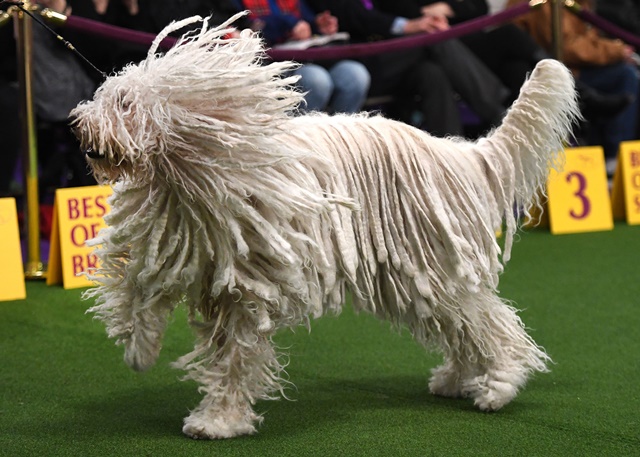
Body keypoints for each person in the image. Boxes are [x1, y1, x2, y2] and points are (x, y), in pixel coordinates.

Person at [307, 0, 510, 136]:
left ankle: (451, 153)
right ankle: (499, 116)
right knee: (435, 41)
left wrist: (429, 18)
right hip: (355, 64)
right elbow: (356, 16)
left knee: (431, 73)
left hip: (391, 58)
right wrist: (410, 25)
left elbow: (400, 7)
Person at [508, 0, 640, 170]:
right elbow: (568, 49)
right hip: (551, 71)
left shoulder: (577, 3)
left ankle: (620, 153)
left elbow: (587, 39)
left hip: (575, 67)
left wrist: (614, 51)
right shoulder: (547, 4)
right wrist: (616, 51)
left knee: (627, 73)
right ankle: (615, 153)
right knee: (626, 76)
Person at [237, 0, 371, 113]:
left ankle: (339, 138)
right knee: (316, 80)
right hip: (270, 63)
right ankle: (303, 140)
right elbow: (244, 25)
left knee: (356, 74)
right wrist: (288, 25)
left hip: (309, 56)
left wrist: (318, 25)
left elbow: (306, 20)